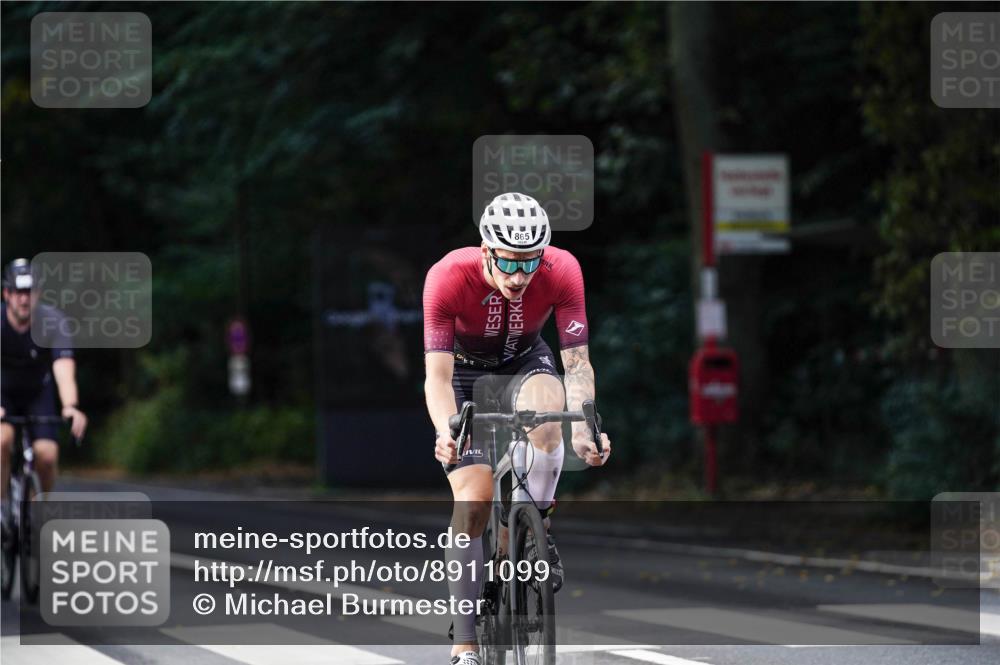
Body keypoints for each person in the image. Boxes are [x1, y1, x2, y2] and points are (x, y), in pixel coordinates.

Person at [423, 193, 611, 665]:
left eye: (529, 262)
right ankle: (465, 645)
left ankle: (534, 526)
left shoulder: (562, 269)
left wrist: (585, 428)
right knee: (475, 498)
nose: (519, 276)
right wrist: (448, 432)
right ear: (485, 250)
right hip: (464, 374)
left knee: (550, 417)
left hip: (527, 362)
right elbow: (438, 378)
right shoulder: (448, 276)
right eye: (507, 261)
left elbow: (578, 365)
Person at [1, 258, 87, 536]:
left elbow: (63, 369)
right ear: (7, 294)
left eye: (29, 292)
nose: (24, 300)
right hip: (2, 392)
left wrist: (71, 406)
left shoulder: (53, 321)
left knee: (47, 455)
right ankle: (2, 507)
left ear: (37, 294)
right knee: (2, 439)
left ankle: (36, 510)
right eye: (18, 292)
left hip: (39, 392)